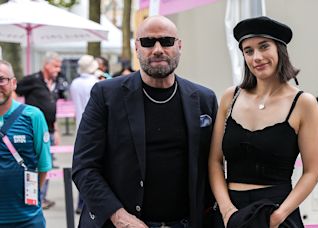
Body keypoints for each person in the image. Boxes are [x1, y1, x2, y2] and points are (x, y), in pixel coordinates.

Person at [72, 15, 218, 228]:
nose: (158, 49)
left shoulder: (204, 99)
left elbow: (213, 166)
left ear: (179, 45)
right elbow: (84, 167)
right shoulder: (106, 95)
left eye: (166, 41)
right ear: (136, 47)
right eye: (148, 42)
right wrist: (120, 217)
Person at [208, 16, 318, 228]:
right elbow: (215, 161)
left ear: (280, 49)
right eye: (248, 51)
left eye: (264, 47)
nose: (257, 57)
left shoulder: (303, 104)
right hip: (231, 214)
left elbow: (312, 172)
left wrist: (279, 216)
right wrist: (226, 211)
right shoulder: (229, 98)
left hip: (277, 212)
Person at [0, 60, 52, 227]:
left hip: (27, 219)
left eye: (2, 79)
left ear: (14, 83)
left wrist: (31, 198)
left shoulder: (32, 116)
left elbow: (44, 165)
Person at [15, 51, 62, 209]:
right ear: (46, 65)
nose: (58, 69)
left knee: (46, 164)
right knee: (32, 163)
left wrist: (57, 129)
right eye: (55, 65)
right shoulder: (32, 80)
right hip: (32, 129)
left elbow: (52, 106)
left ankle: (42, 196)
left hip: (49, 129)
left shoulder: (55, 82)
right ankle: (34, 197)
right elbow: (14, 90)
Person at [69, 54, 99, 214]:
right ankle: (86, 203)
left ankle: (80, 203)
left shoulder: (75, 83)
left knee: (83, 165)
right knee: (92, 167)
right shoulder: (94, 83)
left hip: (80, 127)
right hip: (93, 129)